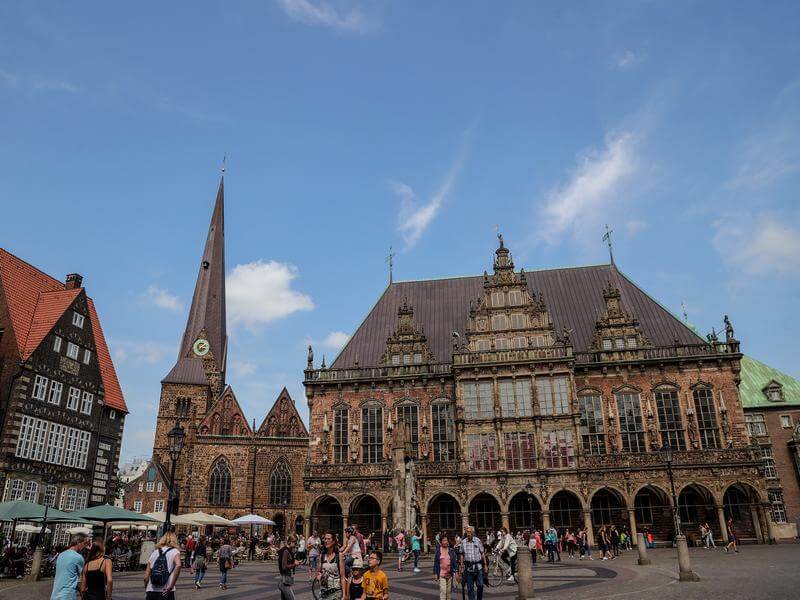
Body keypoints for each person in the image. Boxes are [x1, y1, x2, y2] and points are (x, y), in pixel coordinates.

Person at [143, 532, 181, 600]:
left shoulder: (154, 552)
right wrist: (171, 586)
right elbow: (178, 565)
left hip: (151, 591)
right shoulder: (175, 551)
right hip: (166, 591)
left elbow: (146, 577)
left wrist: (147, 588)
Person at [51, 533, 88, 600]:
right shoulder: (78, 557)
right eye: (84, 543)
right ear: (78, 542)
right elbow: (82, 579)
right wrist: (83, 594)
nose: (85, 546)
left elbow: (68, 576)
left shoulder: (61, 555)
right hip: (68, 595)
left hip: (55, 594)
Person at [459, 526, 485, 600]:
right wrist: (462, 566)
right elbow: (461, 554)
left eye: (470, 532)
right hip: (468, 568)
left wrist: (485, 565)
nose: (468, 534)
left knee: (480, 585)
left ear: (473, 533)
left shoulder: (478, 541)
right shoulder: (463, 542)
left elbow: (482, 553)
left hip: (478, 566)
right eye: (467, 532)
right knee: (470, 588)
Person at [318, 531, 345, 600]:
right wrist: (319, 575)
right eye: (325, 539)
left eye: (328, 539)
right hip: (324, 591)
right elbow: (319, 571)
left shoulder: (339, 556)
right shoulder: (322, 556)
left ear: (333, 541)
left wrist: (344, 595)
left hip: (336, 591)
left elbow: (342, 577)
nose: (326, 541)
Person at [433, 533, 458, 600]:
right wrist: (435, 573)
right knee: (443, 591)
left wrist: (456, 573)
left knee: (449, 592)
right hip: (441, 574)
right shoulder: (438, 551)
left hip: (450, 574)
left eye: (446, 540)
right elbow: (436, 563)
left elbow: (454, 563)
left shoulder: (451, 551)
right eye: (444, 540)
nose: (445, 542)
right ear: (441, 542)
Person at [278, 534, 302, 600]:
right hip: (284, 581)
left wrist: (295, 561)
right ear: (289, 542)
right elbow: (284, 567)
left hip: (286, 580)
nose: (296, 544)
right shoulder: (286, 551)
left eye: (296, 542)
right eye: (295, 542)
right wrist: (295, 564)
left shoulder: (288, 550)